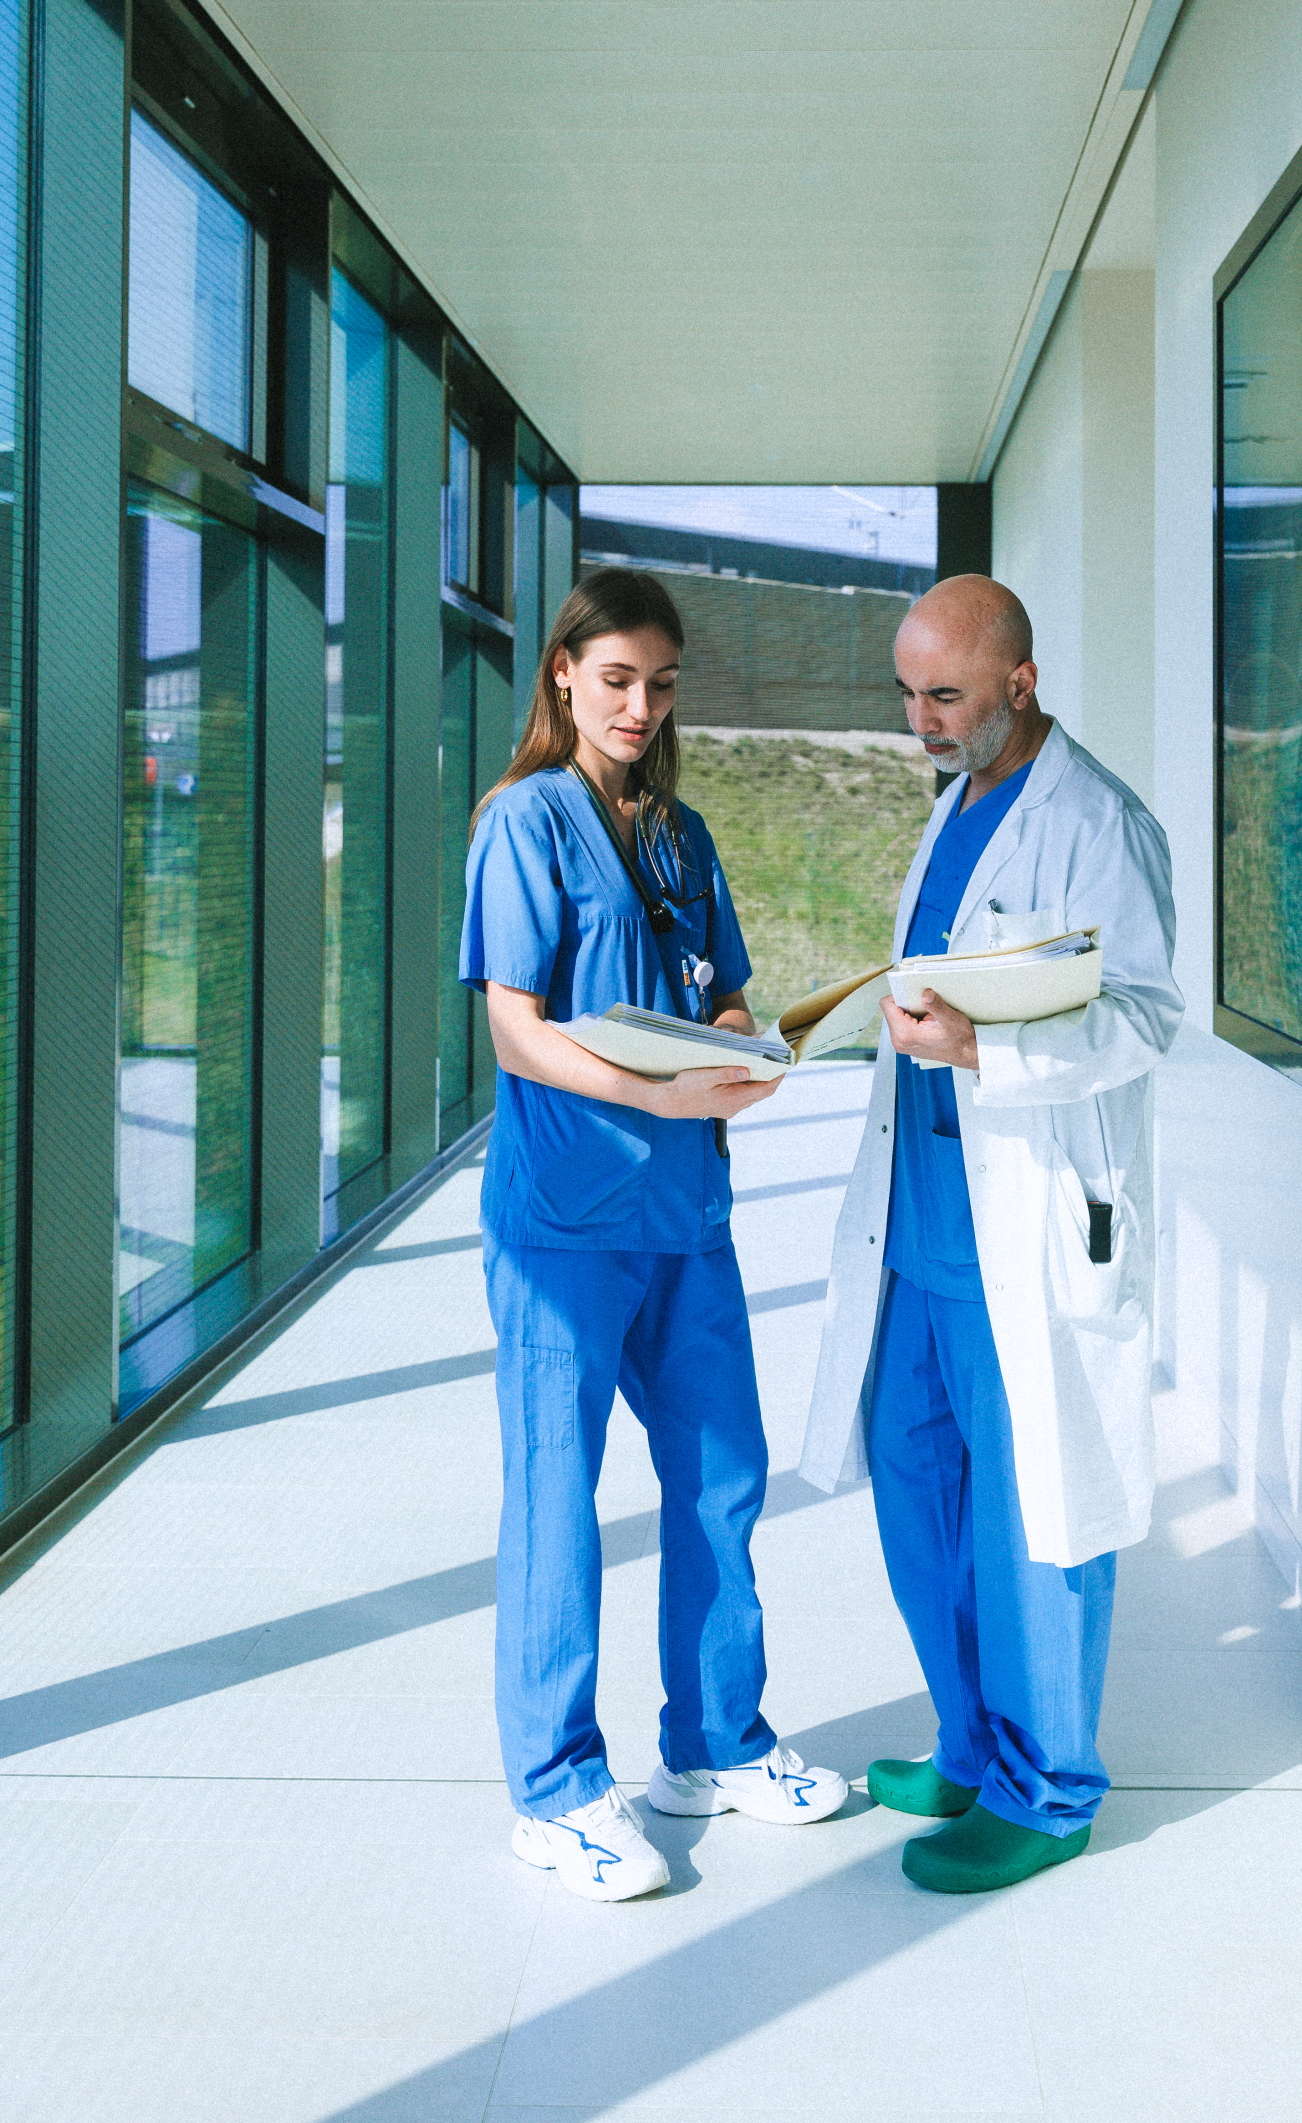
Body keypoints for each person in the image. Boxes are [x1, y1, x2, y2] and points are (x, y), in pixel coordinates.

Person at [462, 565, 848, 1904]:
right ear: (564, 674)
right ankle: (557, 1791)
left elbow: (725, 992)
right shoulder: (523, 821)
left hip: (685, 1214)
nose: (639, 706)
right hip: (566, 1224)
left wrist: (749, 1048)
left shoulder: (682, 835)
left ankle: (713, 1743)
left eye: (661, 684)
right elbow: (515, 1028)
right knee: (556, 1505)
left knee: (722, 1478)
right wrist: (656, 1093)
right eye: (617, 679)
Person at [799, 573, 1182, 1894]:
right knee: (919, 1492)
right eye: (908, 695)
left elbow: (1144, 1016)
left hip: (1022, 1228)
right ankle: (967, 1746)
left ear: (1020, 682)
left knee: (1033, 1517)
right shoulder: (954, 804)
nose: (922, 720)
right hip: (918, 1226)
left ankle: (1047, 1790)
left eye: (946, 695)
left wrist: (982, 1048)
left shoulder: (1099, 823)